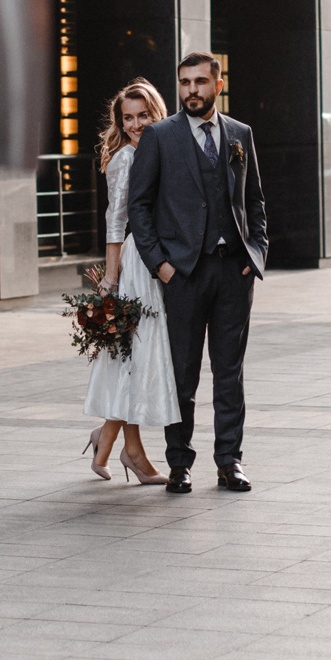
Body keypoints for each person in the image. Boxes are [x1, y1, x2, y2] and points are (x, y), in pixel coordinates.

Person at [127, 52, 267, 495]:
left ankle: (230, 462)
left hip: (233, 273)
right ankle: (179, 464)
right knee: (182, 375)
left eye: (200, 82)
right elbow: (139, 208)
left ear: (217, 85)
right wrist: (161, 266)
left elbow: (256, 202)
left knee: (230, 372)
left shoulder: (240, 134)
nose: (191, 90)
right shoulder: (159, 136)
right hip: (183, 275)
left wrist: (256, 253)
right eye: (185, 82)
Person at [82, 79, 180, 484]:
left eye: (143, 115)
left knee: (135, 357)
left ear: (157, 112)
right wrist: (111, 277)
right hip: (138, 263)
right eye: (128, 118)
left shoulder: (163, 147)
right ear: (120, 123)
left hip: (162, 258)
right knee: (136, 353)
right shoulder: (125, 158)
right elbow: (115, 221)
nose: (137, 124)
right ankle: (129, 449)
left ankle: (112, 439)